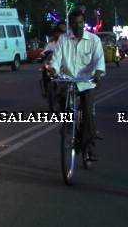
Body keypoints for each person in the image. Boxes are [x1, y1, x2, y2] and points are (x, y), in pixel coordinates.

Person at [47, 9, 105, 162]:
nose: (77, 25)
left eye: (80, 22)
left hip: (87, 82)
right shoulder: (63, 40)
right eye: (74, 23)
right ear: (70, 24)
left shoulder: (94, 40)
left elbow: (99, 62)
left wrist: (97, 75)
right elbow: (56, 59)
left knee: (87, 114)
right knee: (59, 99)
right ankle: (67, 125)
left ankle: (88, 148)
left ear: (84, 23)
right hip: (69, 81)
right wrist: (53, 70)